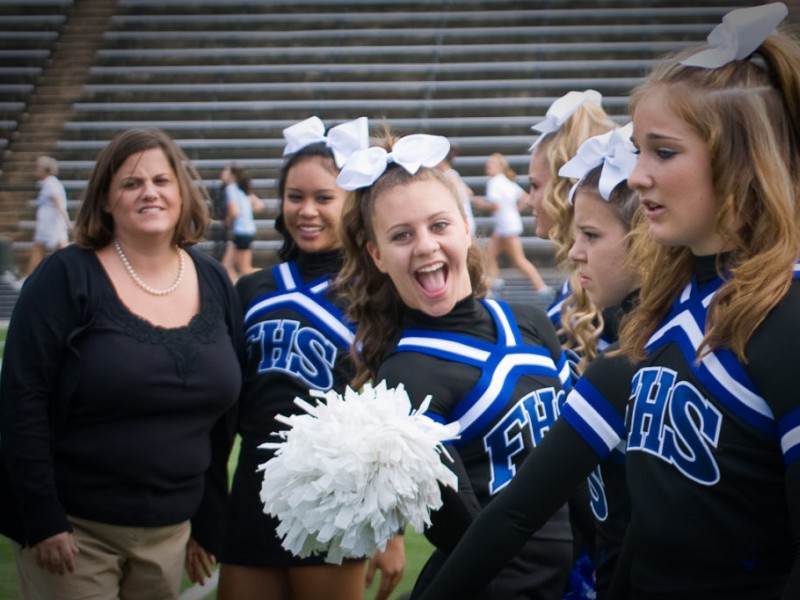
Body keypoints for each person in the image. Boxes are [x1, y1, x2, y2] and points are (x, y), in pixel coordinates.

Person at [0, 128, 244, 599]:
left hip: (171, 533)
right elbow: (21, 400)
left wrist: (209, 521)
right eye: (131, 183)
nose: (149, 192)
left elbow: (222, 419)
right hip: (74, 534)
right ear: (106, 200)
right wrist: (43, 518)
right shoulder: (65, 277)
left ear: (181, 192)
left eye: (161, 180)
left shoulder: (213, 279)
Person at [336, 131, 574, 599]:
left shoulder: (531, 324)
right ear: (377, 255)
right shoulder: (405, 377)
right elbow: (464, 533)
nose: (425, 246)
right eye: (402, 235)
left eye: (439, 225)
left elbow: (584, 477)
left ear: (467, 227)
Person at [411, 124, 642, 600]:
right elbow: (522, 511)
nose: (576, 251)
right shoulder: (604, 358)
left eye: (592, 234)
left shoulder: (702, 340)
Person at [618, 3, 800, 596]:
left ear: (739, 164)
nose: (637, 175)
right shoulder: (660, 308)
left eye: (663, 152)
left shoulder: (789, 317)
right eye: (637, 150)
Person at [218, 116, 405, 600]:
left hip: (333, 502)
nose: (307, 211)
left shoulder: (379, 295)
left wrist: (391, 529)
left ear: (352, 205)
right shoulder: (251, 289)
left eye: (324, 198)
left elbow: (393, 419)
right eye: (295, 197)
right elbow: (222, 406)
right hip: (251, 494)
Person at [526, 90, 617, 369]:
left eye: (535, 186)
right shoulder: (581, 283)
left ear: (567, 188)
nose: (529, 200)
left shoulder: (612, 290)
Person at [476, 152, 550, 297]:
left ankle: (541, 287)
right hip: (505, 225)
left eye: (492, 163)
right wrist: (516, 211)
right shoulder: (506, 181)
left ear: (500, 167)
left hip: (506, 227)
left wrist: (480, 204)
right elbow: (524, 197)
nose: (488, 165)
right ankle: (493, 283)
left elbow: (495, 206)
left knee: (518, 259)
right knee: (490, 255)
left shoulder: (494, 183)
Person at [25, 155, 71, 278]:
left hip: (50, 223)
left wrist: (66, 220)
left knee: (39, 249)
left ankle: (30, 276)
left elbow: (57, 202)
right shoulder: (51, 183)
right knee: (61, 247)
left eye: (38, 168)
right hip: (51, 222)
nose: (36, 171)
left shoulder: (50, 183)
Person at [220, 163, 260, 282]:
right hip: (245, 230)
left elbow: (234, 211)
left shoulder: (231, 188)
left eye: (225, 171)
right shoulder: (242, 189)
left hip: (242, 231)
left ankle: (272, 277)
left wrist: (228, 220)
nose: (222, 173)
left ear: (232, 175)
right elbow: (259, 205)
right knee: (226, 265)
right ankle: (234, 291)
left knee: (245, 269)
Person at [437, 144, 476, 237]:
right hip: (465, 218)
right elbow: (469, 192)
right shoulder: (452, 174)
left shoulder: (449, 175)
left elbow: (461, 196)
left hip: (462, 219)